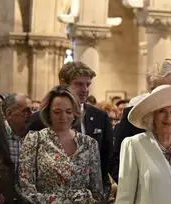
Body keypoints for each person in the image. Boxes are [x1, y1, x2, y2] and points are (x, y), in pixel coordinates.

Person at [109, 59, 171, 187]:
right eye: (157, 89)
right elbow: (117, 162)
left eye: (168, 89)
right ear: (149, 88)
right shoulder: (132, 115)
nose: (163, 96)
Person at [18, 85, 105, 204]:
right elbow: (25, 185)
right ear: (48, 114)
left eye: (68, 111)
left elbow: (97, 190)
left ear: (76, 113)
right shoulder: (35, 140)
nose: (63, 117)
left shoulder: (89, 144)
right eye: (57, 112)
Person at [27, 62, 113, 196]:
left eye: (87, 84)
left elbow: (105, 161)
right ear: (63, 83)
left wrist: (103, 199)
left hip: (88, 201)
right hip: (48, 200)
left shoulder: (100, 117)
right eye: (78, 84)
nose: (85, 89)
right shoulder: (41, 118)